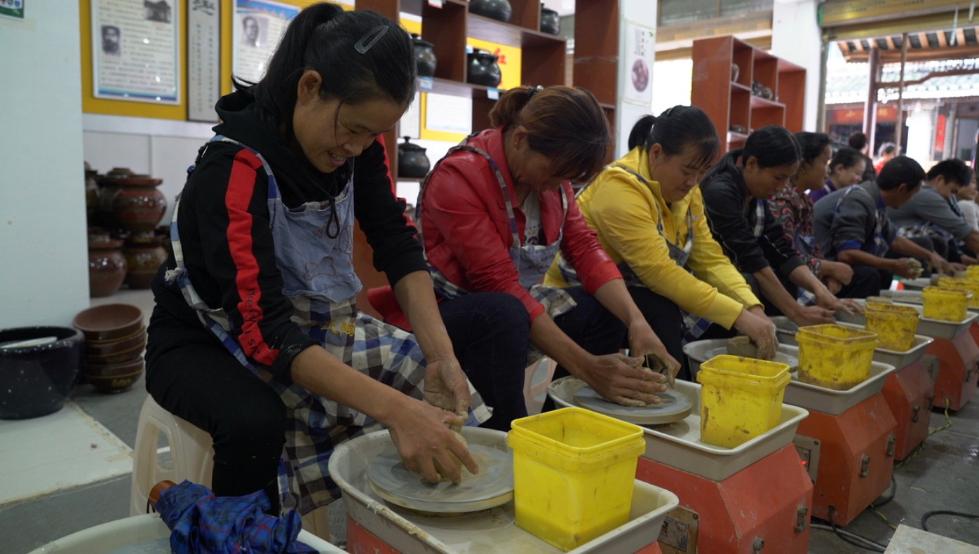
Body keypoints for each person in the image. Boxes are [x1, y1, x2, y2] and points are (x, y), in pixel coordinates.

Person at [146, 5, 487, 517]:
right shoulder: (234, 169)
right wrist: (396, 411)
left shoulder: (356, 148)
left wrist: (441, 356)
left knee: (421, 370)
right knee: (255, 421)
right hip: (202, 340)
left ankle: (409, 526)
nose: (359, 147)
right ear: (309, 87)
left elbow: (396, 243)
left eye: (373, 135)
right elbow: (264, 334)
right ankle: (247, 535)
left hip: (310, 325)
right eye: (354, 129)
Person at [417, 85, 679, 408]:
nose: (558, 185)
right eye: (555, 174)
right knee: (506, 315)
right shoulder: (459, 177)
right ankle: (505, 426)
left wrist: (636, 322)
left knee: (606, 312)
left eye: (566, 178)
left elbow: (585, 249)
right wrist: (587, 368)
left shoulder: (551, 182)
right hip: (445, 314)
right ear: (520, 139)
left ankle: (568, 412)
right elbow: (498, 284)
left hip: (514, 303)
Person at [544, 107, 776, 377]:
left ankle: (677, 386)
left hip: (630, 289)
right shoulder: (619, 187)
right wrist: (738, 316)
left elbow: (710, 259)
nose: (693, 182)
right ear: (656, 153)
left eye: (702, 172)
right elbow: (659, 272)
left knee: (733, 299)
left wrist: (751, 307)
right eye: (688, 170)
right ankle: (662, 390)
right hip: (572, 293)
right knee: (658, 308)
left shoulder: (688, 191)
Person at [700, 126, 855, 327]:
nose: (783, 186)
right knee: (753, 281)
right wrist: (797, 312)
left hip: (735, 277)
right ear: (752, 164)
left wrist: (820, 290)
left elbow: (781, 249)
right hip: (707, 282)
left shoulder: (756, 192)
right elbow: (751, 258)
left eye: (788, 178)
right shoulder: (720, 192)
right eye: (779, 177)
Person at [813, 156, 954, 288]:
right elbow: (847, 254)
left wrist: (930, 255)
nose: (911, 199)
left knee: (891, 265)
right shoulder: (859, 199)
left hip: (831, 258)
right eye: (913, 194)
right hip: (818, 262)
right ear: (902, 189)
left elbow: (894, 240)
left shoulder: (876, 198)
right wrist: (893, 265)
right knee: (870, 274)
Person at [770, 132, 878, 298]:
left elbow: (813, 248)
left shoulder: (804, 200)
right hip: (783, 281)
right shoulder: (781, 200)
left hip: (806, 273)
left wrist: (828, 274)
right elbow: (783, 258)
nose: (828, 170)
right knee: (866, 276)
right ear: (803, 164)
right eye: (825, 162)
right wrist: (828, 268)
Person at [888, 158, 979, 262]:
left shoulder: (928, 193)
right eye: (952, 191)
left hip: (897, 243)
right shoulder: (927, 195)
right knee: (932, 243)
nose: (951, 197)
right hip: (894, 247)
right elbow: (966, 233)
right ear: (940, 180)